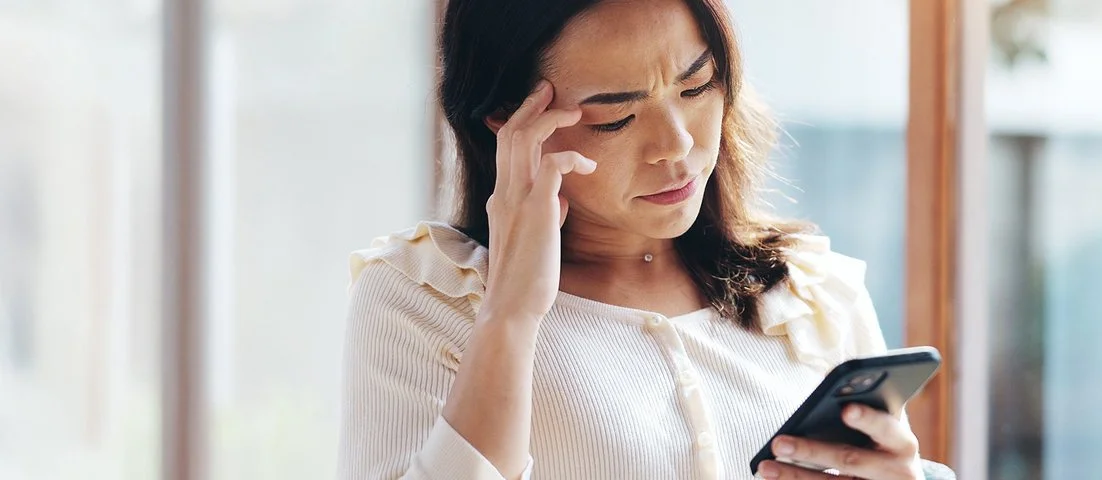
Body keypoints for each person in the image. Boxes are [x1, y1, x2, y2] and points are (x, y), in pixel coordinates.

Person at [338, 0, 946, 478]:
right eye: (616, 117)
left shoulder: (812, 294)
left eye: (696, 87)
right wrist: (510, 314)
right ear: (507, 120)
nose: (676, 145)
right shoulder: (424, 299)